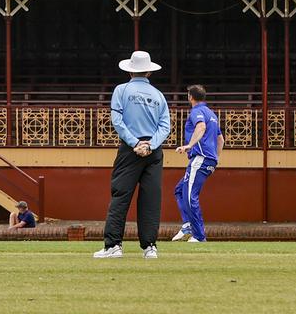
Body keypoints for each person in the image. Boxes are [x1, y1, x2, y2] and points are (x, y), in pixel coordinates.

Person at [93, 50, 171, 260]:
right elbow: (166, 126)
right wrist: (150, 145)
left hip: (130, 148)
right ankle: (150, 246)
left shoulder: (121, 90)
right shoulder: (158, 95)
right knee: (151, 198)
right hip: (154, 151)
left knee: (121, 195)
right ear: (149, 72)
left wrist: (135, 143)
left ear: (130, 71)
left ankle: (113, 245)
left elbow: (117, 120)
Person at [172, 84, 223, 243]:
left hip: (200, 158)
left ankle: (199, 235)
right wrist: (216, 159)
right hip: (209, 159)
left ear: (190, 97)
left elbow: (200, 127)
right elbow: (221, 140)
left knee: (189, 196)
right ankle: (188, 225)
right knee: (180, 190)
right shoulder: (211, 113)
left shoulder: (196, 111)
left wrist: (189, 145)